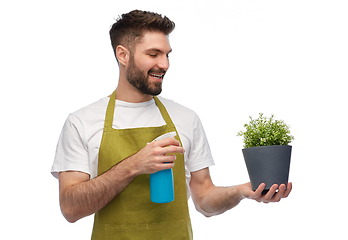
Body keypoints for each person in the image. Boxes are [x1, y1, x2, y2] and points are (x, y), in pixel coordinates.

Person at [51, 10, 292, 239]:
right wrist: (134, 165)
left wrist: (241, 191)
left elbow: (204, 199)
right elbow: (71, 208)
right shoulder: (82, 122)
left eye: (167, 55)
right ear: (123, 55)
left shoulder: (185, 118)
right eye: (153, 54)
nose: (164, 64)